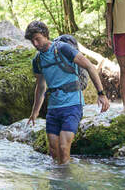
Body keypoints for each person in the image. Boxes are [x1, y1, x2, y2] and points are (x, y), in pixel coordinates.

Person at [25, 21, 110, 165]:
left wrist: (101, 94)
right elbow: (40, 87)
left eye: (37, 39)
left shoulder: (63, 49)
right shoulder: (37, 60)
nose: (35, 44)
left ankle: (67, 183)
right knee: (53, 151)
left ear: (45, 35)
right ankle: (59, 182)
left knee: (64, 148)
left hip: (72, 105)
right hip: (53, 108)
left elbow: (89, 66)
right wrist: (34, 112)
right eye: (32, 41)